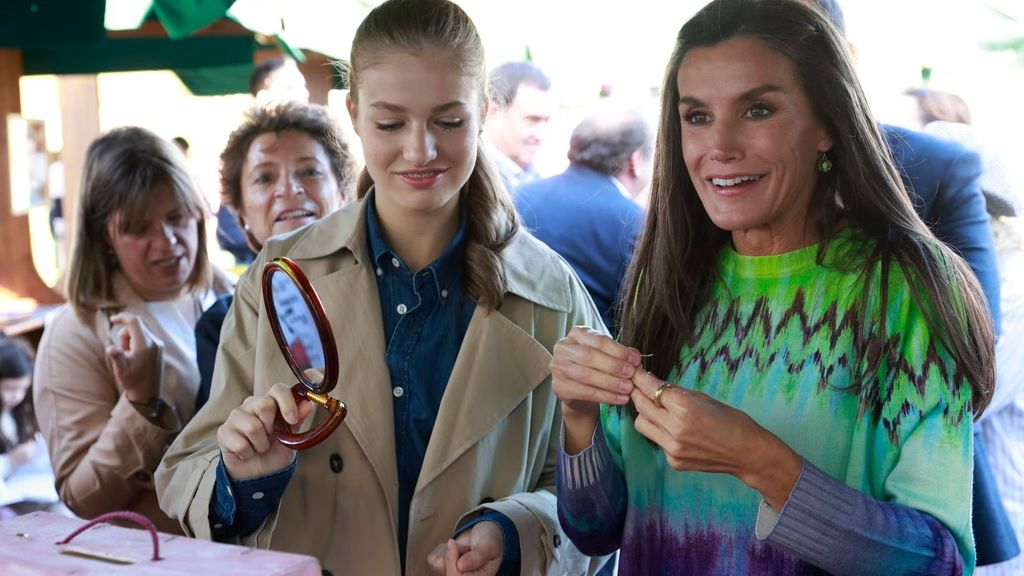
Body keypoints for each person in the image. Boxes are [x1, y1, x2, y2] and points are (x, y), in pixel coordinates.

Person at [156, 1, 608, 575]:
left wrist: (515, 530)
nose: (420, 151)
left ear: (484, 112)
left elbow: (598, 492)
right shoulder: (280, 272)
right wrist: (242, 476)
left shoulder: (553, 292)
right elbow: (186, 472)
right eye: (391, 123)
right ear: (353, 111)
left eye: (449, 121)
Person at [553, 0, 994, 574]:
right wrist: (580, 418)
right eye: (697, 116)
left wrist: (765, 464)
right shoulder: (668, 279)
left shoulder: (906, 289)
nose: (720, 147)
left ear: (829, 126)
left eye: (757, 110)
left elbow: (939, 563)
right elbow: (595, 531)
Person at [33, 127, 232, 533]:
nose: (168, 241)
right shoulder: (77, 333)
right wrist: (142, 405)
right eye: (139, 228)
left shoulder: (225, 290)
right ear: (103, 235)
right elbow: (83, 499)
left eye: (176, 216)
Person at [194, 102, 356, 411]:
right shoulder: (220, 325)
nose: (289, 188)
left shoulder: (387, 292)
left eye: (310, 171)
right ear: (241, 214)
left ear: (344, 194)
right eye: (264, 178)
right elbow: (209, 444)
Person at [515, 107, 652, 333]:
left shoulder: (517, 197)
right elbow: (643, 320)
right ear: (635, 160)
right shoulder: (635, 222)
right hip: (585, 359)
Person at [485, 61, 555, 188]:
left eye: (546, 121)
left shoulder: (535, 179)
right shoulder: (472, 183)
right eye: (532, 120)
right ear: (492, 113)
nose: (540, 135)